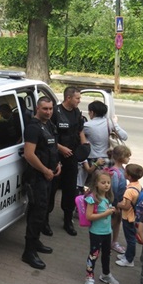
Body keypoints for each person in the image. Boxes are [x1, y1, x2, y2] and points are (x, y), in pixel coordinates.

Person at [21, 96, 61, 271]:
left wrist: (57, 164)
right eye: (45, 108)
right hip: (37, 177)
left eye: (51, 108)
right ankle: (28, 252)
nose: (48, 112)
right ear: (38, 108)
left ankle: (35, 241)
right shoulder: (33, 128)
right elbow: (29, 154)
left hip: (48, 175)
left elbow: (52, 147)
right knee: (37, 212)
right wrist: (45, 170)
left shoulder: (49, 124)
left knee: (42, 211)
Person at [49, 86, 88, 236]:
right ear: (68, 98)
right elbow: (48, 136)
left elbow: (80, 130)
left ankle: (67, 221)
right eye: (77, 98)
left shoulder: (77, 112)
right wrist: (60, 148)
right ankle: (45, 221)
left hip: (72, 157)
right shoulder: (55, 113)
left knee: (70, 189)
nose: (79, 101)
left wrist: (84, 145)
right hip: (56, 158)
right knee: (52, 189)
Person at [83, 172, 119, 284]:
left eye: (108, 182)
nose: (106, 185)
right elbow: (89, 216)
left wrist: (112, 211)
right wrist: (106, 213)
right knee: (94, 255)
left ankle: (106, 274)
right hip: (96, 233)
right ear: (96, 184)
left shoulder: (108, 198)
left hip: (107, 232)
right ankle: (89, 277)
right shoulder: (93, 199)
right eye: (103, 182)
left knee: (107, 255)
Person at [83, 101, 128, 176]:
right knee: (108, 181)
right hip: (109, 158)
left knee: (95, 181)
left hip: (94, 159)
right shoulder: (109, 122)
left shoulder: (87, 126)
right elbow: (124, 136)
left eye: (89, 111)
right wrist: (115, 123)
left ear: (92, 112)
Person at [115, 163, 143, 268]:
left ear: (129, 176)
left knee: (130, 239)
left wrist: (116, 204)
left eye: (125, 172)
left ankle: (129, 259)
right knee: (130, 237)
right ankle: (127, 255)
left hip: (128, 217)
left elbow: (126, 206)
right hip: (134, 216)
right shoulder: (137, 185)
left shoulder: (129, 191)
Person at [108, 145, 131, 254]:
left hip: (120, 202)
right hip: (116, 203)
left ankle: (114, 242)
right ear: (121, 157)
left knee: (117, 222)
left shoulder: (122, 169)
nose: (129, 158)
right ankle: (107, 242)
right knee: (112, 222)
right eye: (127, 156)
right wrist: (116, 205)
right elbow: (113, 190)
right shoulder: (115, 173)